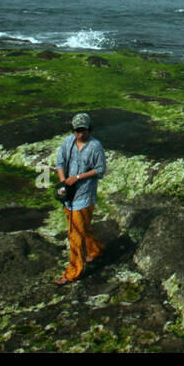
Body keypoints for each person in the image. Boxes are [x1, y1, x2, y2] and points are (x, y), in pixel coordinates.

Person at [55, 112, 107, 285]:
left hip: (84, 196)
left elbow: (100, 170)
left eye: (83, 130)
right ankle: (96, 249)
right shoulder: (68, 142)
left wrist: (78, 177)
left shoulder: (95, 147)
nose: (80, 134)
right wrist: (63, 182)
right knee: (81, 228)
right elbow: (60, 163)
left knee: (74, 234)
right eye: (77, 130)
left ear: (89, 129)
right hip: (68, 195)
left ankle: (73, 272)